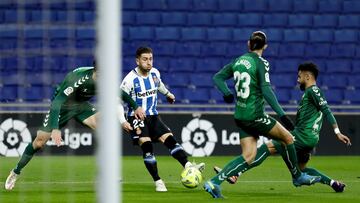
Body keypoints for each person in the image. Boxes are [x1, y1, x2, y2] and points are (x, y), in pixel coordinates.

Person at [203, 31, 320, 198]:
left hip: (240, 116)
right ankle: (298, 176)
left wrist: (227, 93)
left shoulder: (238, 61)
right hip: (255, 115)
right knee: (288, 138)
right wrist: (282, 115)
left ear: (248, 44)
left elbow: (218, 77)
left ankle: (214, 182)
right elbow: (266, 90)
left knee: (248, 156)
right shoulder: (261, 63)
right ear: (265, 46)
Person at [5, 61, 145, 190]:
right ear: (97, 72)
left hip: (81, 106)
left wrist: (136, 107)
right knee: (39, 143)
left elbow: (120, 93)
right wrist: (55, 128)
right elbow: (57, 102)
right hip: (62, 106)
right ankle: (15, 172)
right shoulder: (80, 78)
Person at [214, 62, 352, 193]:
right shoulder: (310, 94)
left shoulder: (313, 91)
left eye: (299, 76)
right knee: (302, 170)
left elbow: (327, 110)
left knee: (267, 147)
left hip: (303, 136)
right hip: (309, 138)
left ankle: (235, 173)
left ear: (308, 76)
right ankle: (334, 183)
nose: (298, 80)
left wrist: (337, 132)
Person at [121, 46, 204, 192]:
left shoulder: (154, 73)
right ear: (137, 61)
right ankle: (158, 181)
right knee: (147, 147)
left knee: (170, 140)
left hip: (153, 115)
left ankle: (188, 166)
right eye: (145, 59)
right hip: (136, 118)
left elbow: (159, 85)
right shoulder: (129, 80)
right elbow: (117, 99)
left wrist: (168, 94)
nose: (149, 62)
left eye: (151, 59)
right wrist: (122, 120)